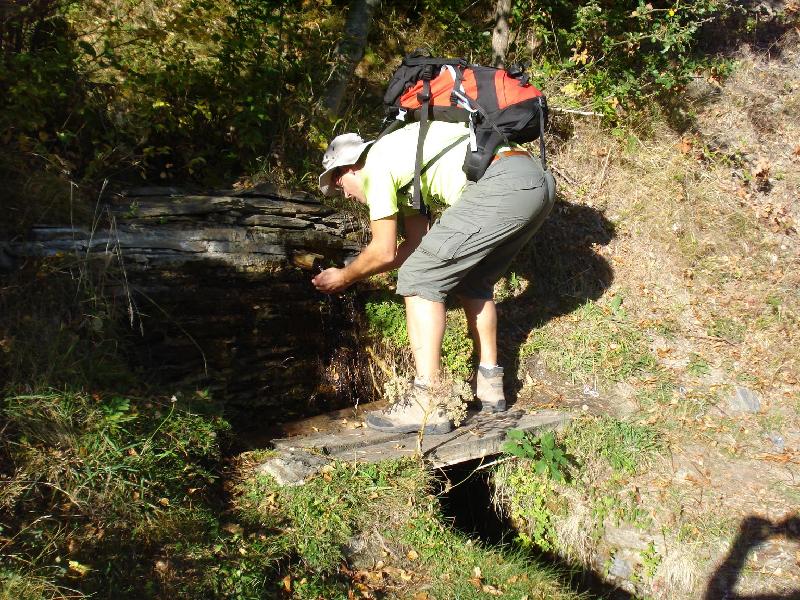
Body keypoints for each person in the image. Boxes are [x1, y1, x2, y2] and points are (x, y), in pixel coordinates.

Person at [314, 120, 555, 435]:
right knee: (473, 281)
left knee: (417, 278)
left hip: (502, 185)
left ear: (349, 169)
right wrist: (360, 273)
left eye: (338, 184)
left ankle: (428, 400)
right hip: (536, 183)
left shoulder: (376, 167)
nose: (344, 194)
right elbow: (416, 247)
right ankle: (490, 386)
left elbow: (384, 251)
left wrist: (344, 277)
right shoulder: (404, 163)